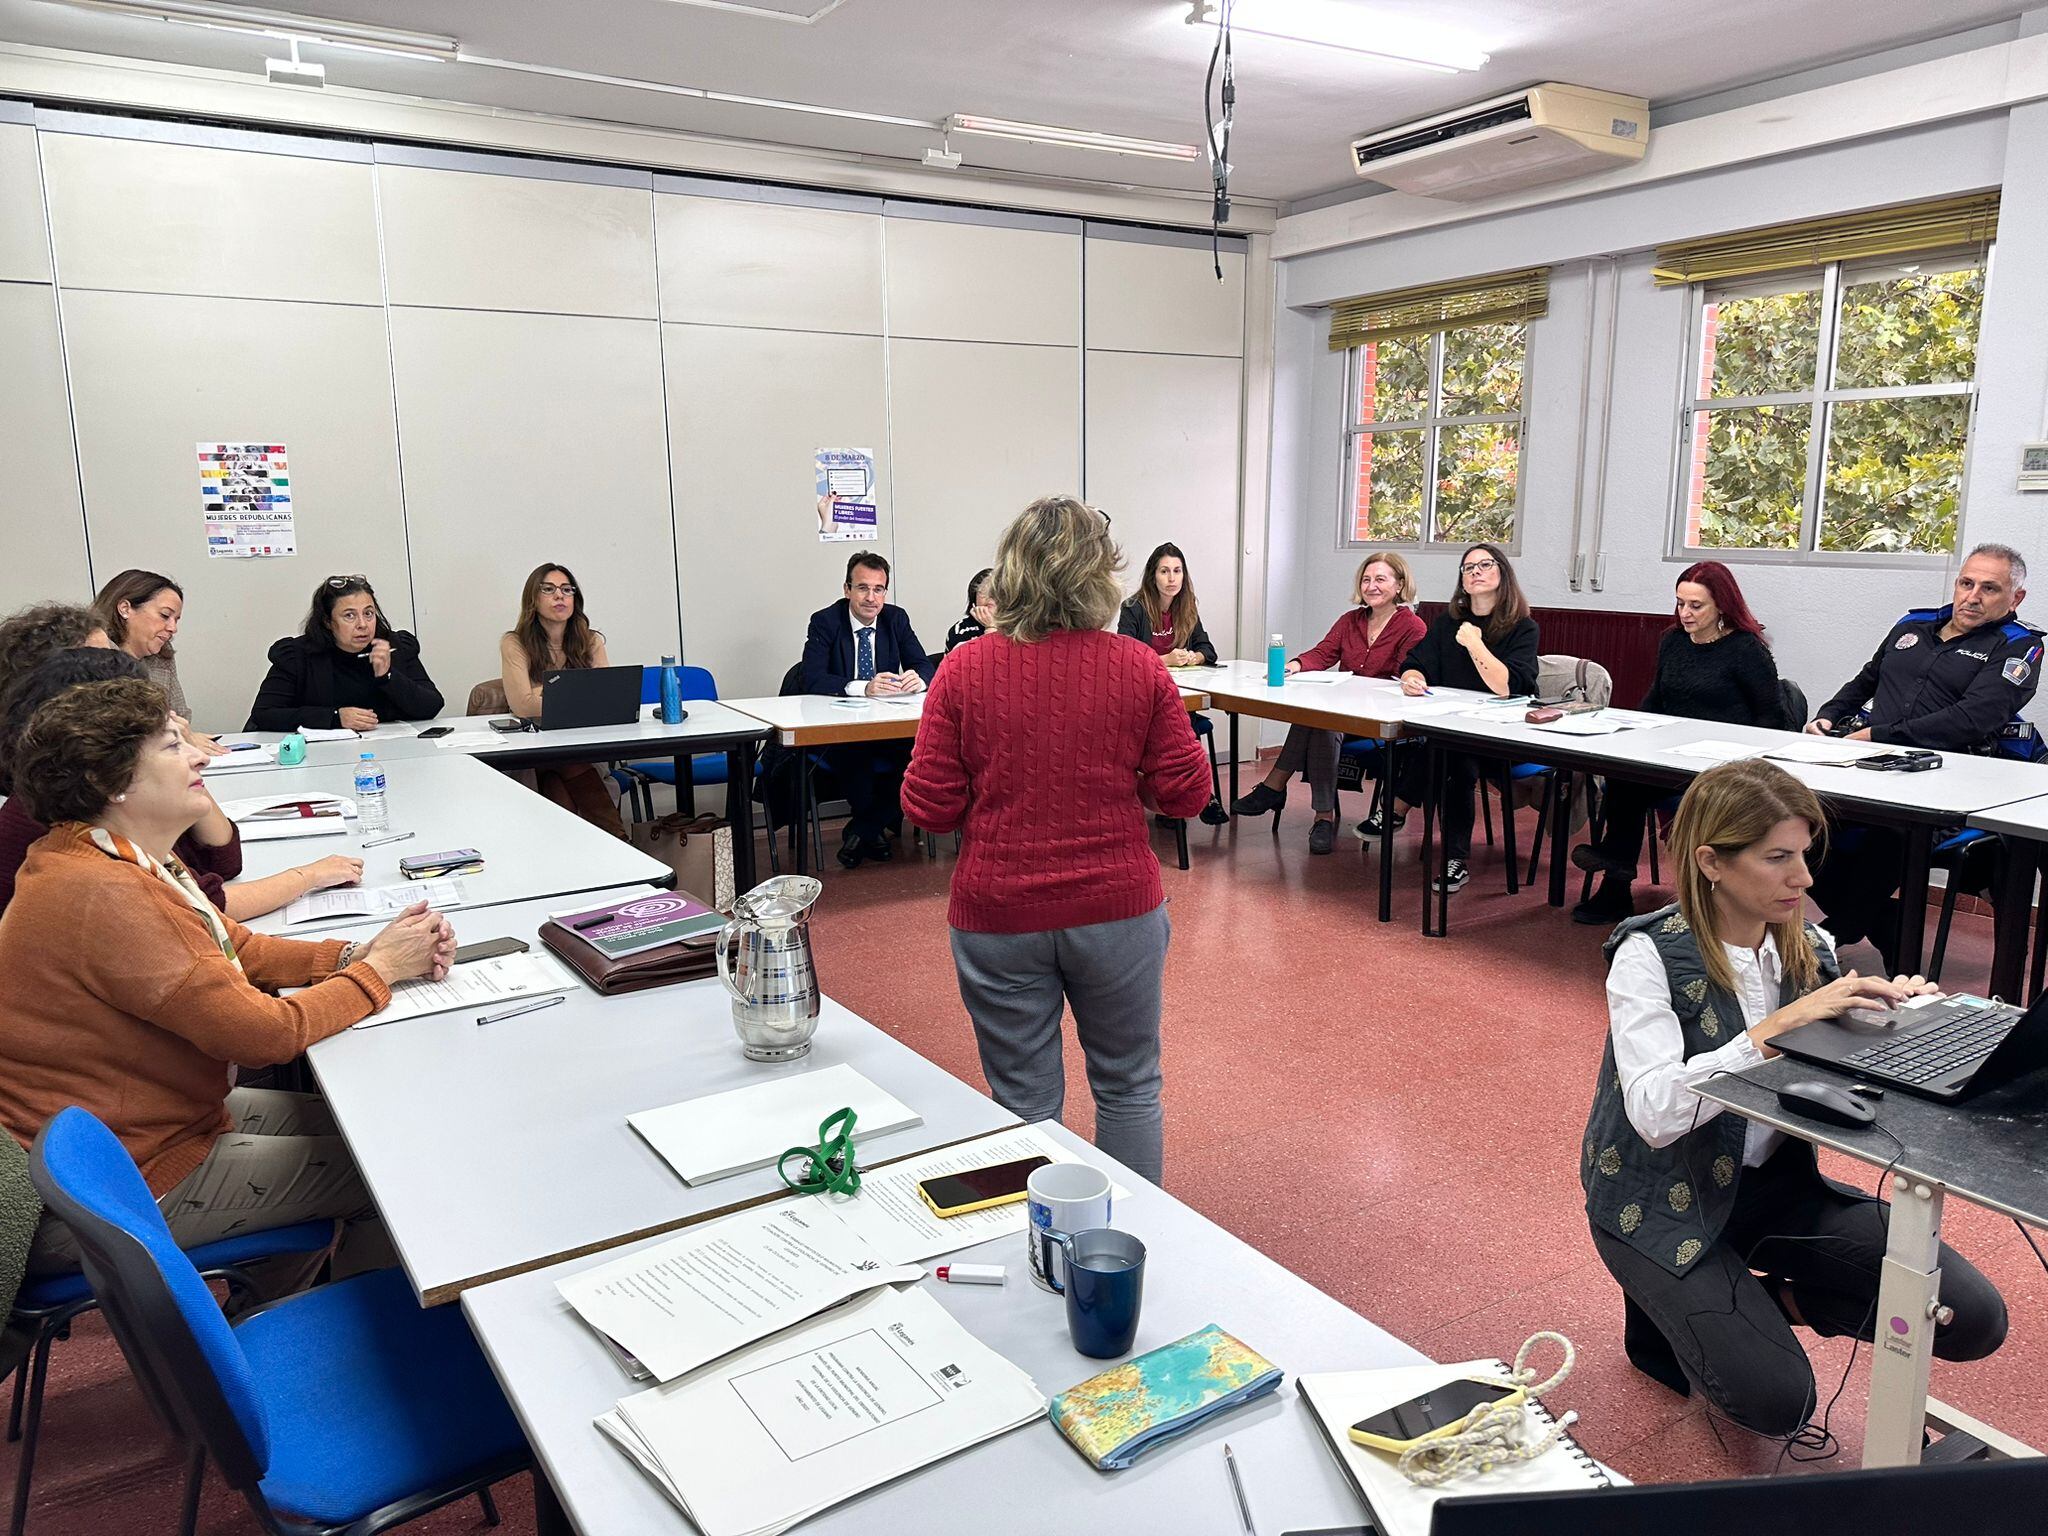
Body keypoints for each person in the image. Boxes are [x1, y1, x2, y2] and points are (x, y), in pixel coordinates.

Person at [1584, 758, 2006, 1436]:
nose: (1804, 879)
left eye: (1804, 855)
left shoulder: (1808, 945)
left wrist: (1893, 1025)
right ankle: (1668, 1297)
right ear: (1712, 862)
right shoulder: (1649, 954)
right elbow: (1656, 1115)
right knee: (1780, 1403)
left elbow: (1836, 1078)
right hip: (1654, 1196)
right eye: (1778, 857)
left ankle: (1758, 1301)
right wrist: (1774, 1031)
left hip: (1771, 1187)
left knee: (1972, 1316)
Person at [0, 677, 456, 1292]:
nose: (197, 754)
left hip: (134, 1130)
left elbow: (234, 945)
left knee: (373, 1126)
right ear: (113, 783)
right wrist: (380, 973)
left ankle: (267, 1307)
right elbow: (265, 1035)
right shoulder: (107, 892)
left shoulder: (113, 852)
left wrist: (356, 951)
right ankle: (319, 1347)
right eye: (170, 746)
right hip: (119, 1180)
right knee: (398, 1170)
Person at [903, 497, 1211, 1183]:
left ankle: (1040, 1259)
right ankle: (1123, 1257)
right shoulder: (1139, 666)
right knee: (1129, 1088)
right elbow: (1187, 795)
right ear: (1100, 576)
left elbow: (930, 808)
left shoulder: (962, 669)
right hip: (1117, 910)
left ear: (1011, 574)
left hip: (999, 913)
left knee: (1022, 1104)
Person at [1803, 543, 2041, 972]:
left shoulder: (2019, 646)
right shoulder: (1913, 624)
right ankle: (1885, 923)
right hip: (1868, 769)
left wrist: (1879, 734)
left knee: (1892, 835)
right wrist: (1828, 715)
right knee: (1795, 824)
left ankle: (1833, 936)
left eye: (1990, 588)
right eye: (1967, 583)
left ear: (2015, 598)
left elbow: (1971, 719)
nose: (1973, 596)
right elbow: (1868, 678)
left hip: (1946, 782)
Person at [0, 648, 362, 919]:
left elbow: (223, 859)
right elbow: (203, 906)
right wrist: (308, 876)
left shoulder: (118, 790)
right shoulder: (70, 809)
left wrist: (178, 756)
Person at [1571, 562, 1790, 925]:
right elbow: (1656, 698)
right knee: (1624, 777)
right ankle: (1616, 884)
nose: (1685, 613)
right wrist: (1631, 732)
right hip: (1671, 756)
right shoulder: (1673, 641)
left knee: (1639, 788)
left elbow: (1772, 718)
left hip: (1723, 766)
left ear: (1721, 605)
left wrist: (1739, 751)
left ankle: (1616, 862)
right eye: (1679, 603)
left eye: (1695, 606)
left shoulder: (1745, 648)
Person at [1230, 551, 1425, 853]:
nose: (1371, 586)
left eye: (1381, 579)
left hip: (1379, 719)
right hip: (1342, 714)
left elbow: (1404, 674)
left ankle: (1277, 788)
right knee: (1321, 722)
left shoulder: (1412, 627)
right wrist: (1293, 665)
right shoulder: (1351, 620)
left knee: (1321, 721)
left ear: (1399, 585)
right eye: (1366, 579)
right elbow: (1324, 653)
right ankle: (1322, 815)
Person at [1372, 542, 1540, 893]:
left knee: (1450, 751)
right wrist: (1412, 679)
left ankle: (1396, 808)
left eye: (1485, 565)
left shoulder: (1522, 627)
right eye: (1468, 568)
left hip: (1504, 737)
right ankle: (1454, 859)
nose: (1475, 572)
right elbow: (1415, 663)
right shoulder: (1448, 622)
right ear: (1462, 582)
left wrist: (1476, 643)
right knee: (1452, 755)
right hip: (1453, 732)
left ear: (1502, 574)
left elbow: (1506, 687)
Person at [800, 551, 936, 868]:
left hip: (886, 725)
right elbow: (812, 677)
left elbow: (922, 663)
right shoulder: (825, 621)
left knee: (918, 756)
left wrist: (920, 679)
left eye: (878, 589)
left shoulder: (896, 618)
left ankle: (862, 829)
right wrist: (863, 686)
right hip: (838, 728)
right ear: (847, 589)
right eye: (863, 588)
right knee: (855, 754)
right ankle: (870, 830)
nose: (871, 598)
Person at [498, 562, 626, 838]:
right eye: (549, 589)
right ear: (533, 598)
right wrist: (579, 696)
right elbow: (523, 705)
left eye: (567, 590)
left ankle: (583, 861)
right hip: (534, 750)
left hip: (582, 744)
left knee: (560, 786)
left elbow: (608, 697)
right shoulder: (515, 642)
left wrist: (546, 692)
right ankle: (620, 844)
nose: (560, 596)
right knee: (565, 766)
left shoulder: (590, 641)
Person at [246, 574, 444, 732]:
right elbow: (265, 714)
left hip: (391, 753)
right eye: (349, 616)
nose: (363, 625)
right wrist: (334, 717)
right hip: (320, 759)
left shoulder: (394, 646)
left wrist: (388, 676)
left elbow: (431, 706)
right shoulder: (298, 656)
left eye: (368, 613)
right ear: (327, 622)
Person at [1118, 544, 1227, 826]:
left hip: (1180, 694)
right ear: (1152, 576)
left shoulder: (1186, 607)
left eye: (1177, 571)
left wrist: (1195, 656)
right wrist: (1164, 658)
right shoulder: (1134, 608)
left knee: (1182, 720)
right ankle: (1190, 796)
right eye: (1164, 571)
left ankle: (1184, 795)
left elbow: (1208, 649)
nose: (1171, 578)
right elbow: (1126, 655)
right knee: (1179, 725)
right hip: (1143, 698)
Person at [91, 568, 222, 755]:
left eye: (176, 620)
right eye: (165, 615)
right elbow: (106, 732)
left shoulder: (162, 658)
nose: (173, 628)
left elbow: (180, 715)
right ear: (125, 609)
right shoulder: (92, 656)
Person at [945, 567, 996, 652]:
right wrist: (990, 628)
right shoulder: (961, 629)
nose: (990, 597)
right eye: (983, 591)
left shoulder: (1017, 627)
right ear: (974, 598)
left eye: (997, 592)